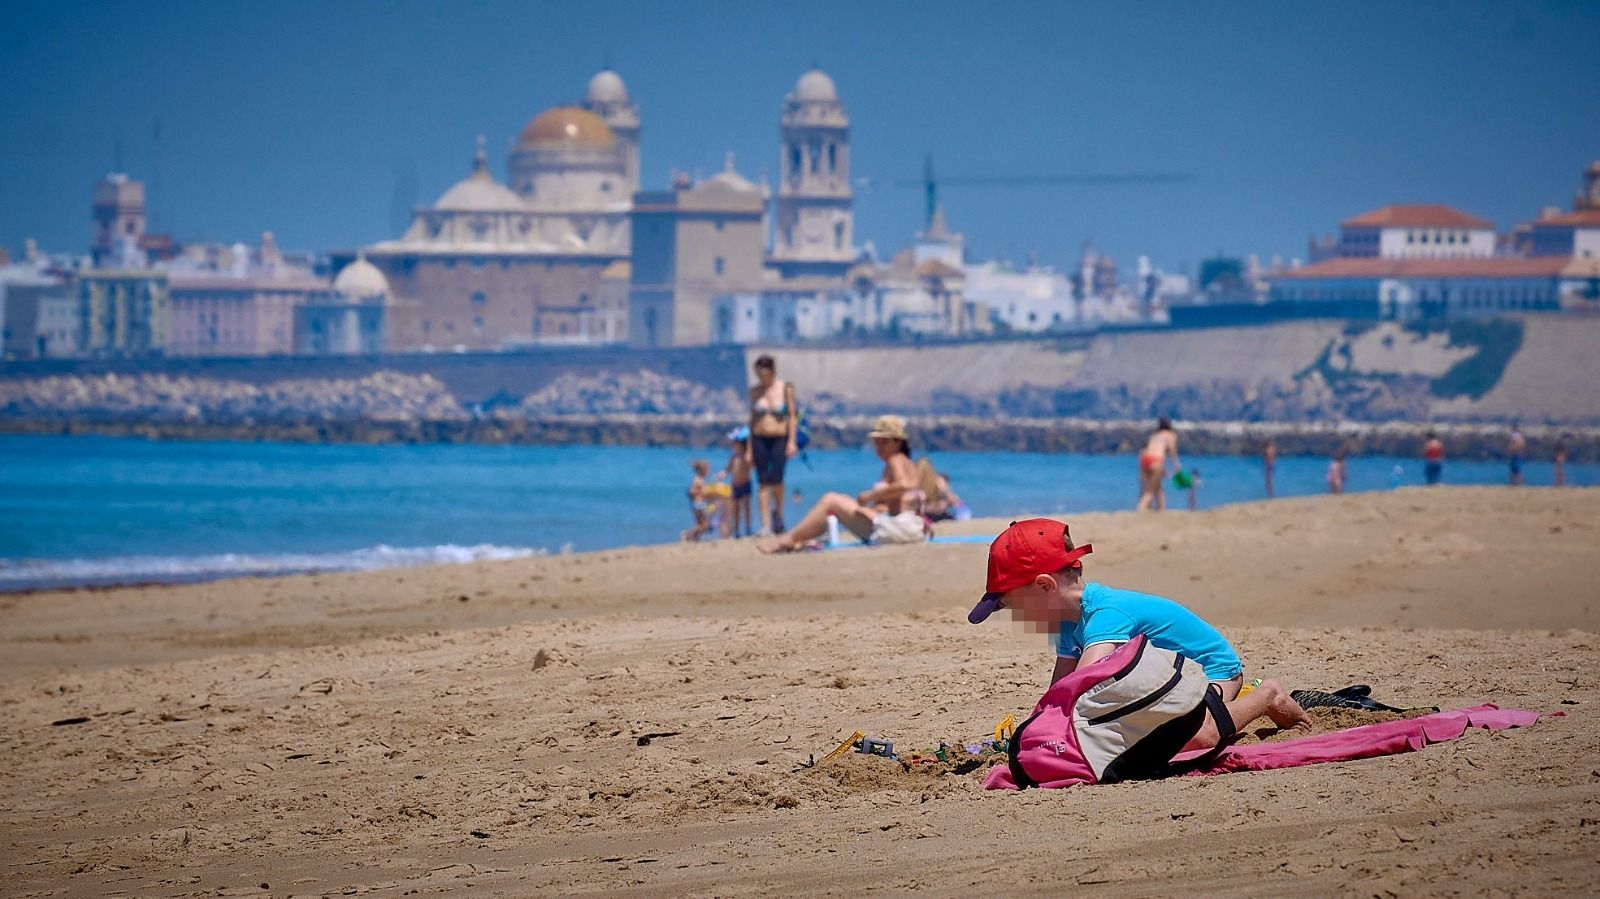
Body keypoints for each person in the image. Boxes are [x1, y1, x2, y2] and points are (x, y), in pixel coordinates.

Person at [966, 518, 1310, 749]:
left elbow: (1081, 685)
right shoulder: (1066, 622)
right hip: (1166, 680)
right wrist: (1035, 725)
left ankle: (1267, 697)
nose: (1015, 617)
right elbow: (1058, 692)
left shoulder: (1105, 616)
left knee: (1197, 737)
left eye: (1012, 607)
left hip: (1209, 670)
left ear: (1044, 587)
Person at [758, 415, 924, 553]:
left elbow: (904, 485)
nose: (878, 447)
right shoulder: (907, 463)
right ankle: (799, 538)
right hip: (906, 528)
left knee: (831, 500)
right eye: (877, 442)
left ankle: (788, 540)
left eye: (883, 442)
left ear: (897, 442)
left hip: (897, 529)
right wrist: (872, 508)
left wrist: (870, 495)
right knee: (841, 502)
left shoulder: (895, 460)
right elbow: (900, 499)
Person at [747, 355, 798, 535]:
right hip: (759, 437)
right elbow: (751, 420)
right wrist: (749, 449)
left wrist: (792, 441)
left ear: (772, 371)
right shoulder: (755, 392)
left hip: (780, 437)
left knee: (776, 480)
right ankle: (765, 525)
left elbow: (792, 416)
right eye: (759, 374)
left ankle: (778, 515)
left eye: (765, 374)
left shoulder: (785, 389)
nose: (762, 378)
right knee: (762, 482)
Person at [1136, 417, 1181, 511]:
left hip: (1144, 458)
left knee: (1157, 487)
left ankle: (1161, 509)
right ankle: (1141, 508)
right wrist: (1176, 466)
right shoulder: (1171, 435)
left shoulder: (1154, 435)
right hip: (1156, 459)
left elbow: (1147, 450)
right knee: (1150, 490)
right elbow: (1172, 451)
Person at [723, 428, 753, 538]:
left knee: (746, 507)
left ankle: (748, 528)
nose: (733, 446)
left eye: (735, 444)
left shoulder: (746, 456)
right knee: (735, 509)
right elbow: (728, 469)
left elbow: (751, 466)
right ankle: (736, 529)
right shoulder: (733, 457)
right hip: (735, 485)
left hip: (745, 483)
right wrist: (722, 474)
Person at [681, 459, 714, 542]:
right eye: (707, 470)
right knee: (705, 525)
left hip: (698, 504)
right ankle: (687, 534)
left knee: (700, 524)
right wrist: (700, 492)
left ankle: (694, 538)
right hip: (698, 504)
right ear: (703, 471)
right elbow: (691, 491)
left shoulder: (699, 479)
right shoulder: (698, 480)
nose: (708, 472)